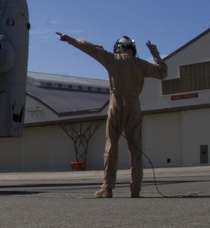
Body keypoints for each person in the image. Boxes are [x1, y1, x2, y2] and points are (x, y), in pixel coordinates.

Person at [56, 32, 168, 198]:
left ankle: (107, 187)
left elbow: (89, 48)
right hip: (135, 105)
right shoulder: (141, 64)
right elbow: (162, 73)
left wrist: (70, 40)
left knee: (111, 146)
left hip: (117, 102)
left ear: (119, 47)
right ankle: (135, 189)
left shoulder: (112, 59)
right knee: (136, 149)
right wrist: (155, 54)